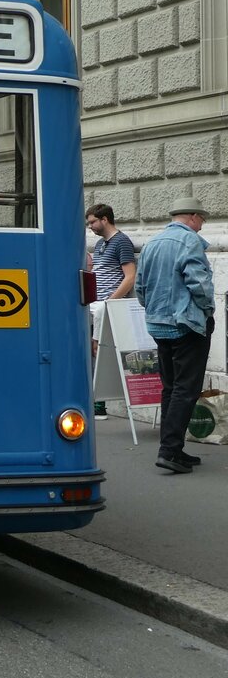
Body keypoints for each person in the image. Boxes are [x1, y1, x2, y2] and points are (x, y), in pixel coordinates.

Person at [134, 197, 215, 474]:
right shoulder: (189, 241)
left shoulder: (152, 243)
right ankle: (169, 450)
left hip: (158, 324)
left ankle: (174, 448)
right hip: (186, 323)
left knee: (170, 387)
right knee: (186, 389)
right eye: (201, 219)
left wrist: (154, 310)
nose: (202, 225)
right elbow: (199, 284)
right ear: (192, 216)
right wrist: (208, 309)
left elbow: (140, 287)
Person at [85, 204, 137, 419]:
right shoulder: (99, 244)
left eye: (92, 222)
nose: (90, 227)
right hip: (95, 301)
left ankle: (99, 405)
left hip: (107, 303)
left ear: (104, 219)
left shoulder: (122, 242)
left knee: (100, 350)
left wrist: (109, 301)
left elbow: (130, 276)